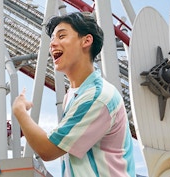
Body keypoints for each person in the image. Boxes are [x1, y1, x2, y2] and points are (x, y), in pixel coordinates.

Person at [12, 12, 135, 177]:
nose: (53, 44)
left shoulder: (97, 96)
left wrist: (19, 111)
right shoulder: (73, 95)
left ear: (86, 41)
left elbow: (48, 149)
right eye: (52, 39)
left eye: (61, 36)